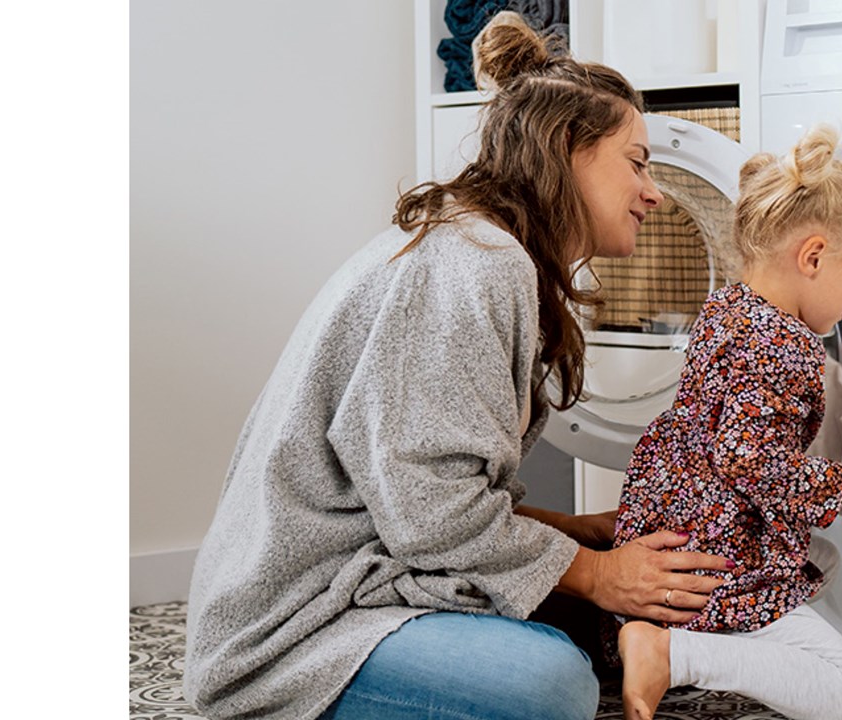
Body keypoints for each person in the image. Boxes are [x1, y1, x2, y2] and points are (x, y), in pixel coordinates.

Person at [181, 12, 732, 720]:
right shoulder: (479, 263)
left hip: (365, 569)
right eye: (637, 161)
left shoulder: (485, 249)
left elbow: (419, 491)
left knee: (611, 623)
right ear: (568, 149)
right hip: (292, 630)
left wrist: (572, 533)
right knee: (552, 686)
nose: (652, 191)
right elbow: (431, 510)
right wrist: (597, 573)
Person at [611, 125, 842, 720]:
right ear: (813, 257)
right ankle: (672, 653)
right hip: (716, 562)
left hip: (680, 535)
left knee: (818, 560)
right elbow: (746, 459)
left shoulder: (727, 308)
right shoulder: (785, 345)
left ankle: (678, 640)